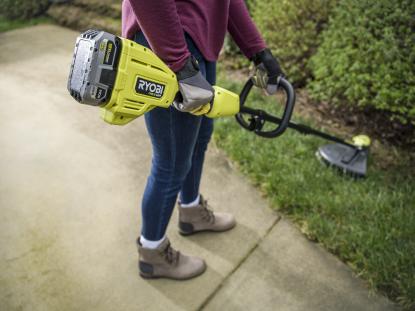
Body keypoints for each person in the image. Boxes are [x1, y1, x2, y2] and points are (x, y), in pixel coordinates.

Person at [122, 0, 283, 280]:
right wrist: (180, 64)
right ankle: (152, 253)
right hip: (168, 41)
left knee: (198, 139)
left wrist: (258, 50)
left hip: (198, 41)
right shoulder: (174, 51)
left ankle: (191, 211)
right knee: (171, 161)